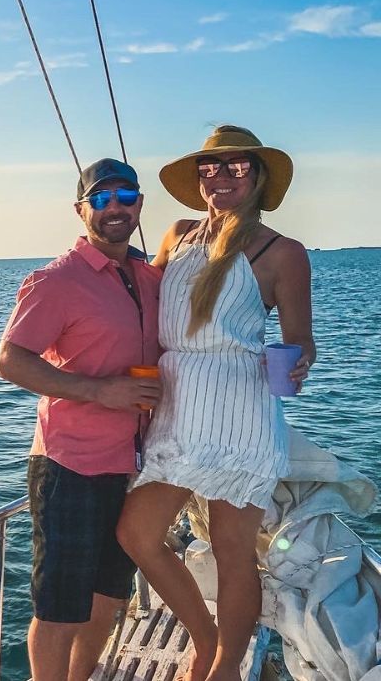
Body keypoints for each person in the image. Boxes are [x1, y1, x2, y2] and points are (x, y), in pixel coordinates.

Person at [116, 125, 315, 681]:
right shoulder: (178, 235)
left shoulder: (283, 252)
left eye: (235, 167)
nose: (220, 177)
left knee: (233, 551)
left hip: (239, 408)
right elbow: (143, 307)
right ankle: (204, 640)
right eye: (210, 167)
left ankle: (226, 665)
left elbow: (302, 337)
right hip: (177, 404)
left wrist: (297, 360)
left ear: (257, 176)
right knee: (135, 533)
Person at [0, 157, 163, 681]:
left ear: (139, 203)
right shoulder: (57, 281)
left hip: (132, 463)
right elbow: (11, 360)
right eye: (100, 199)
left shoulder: (148, 275)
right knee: (59, 607)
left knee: (109, 595)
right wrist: (100, 391)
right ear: (80, 209)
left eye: (125, 196)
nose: (114, 208)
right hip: (70, 465)